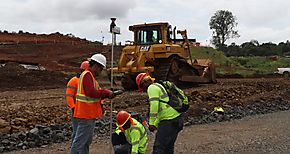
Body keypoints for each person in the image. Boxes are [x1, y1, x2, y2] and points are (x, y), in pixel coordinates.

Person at [70, 53, 115, 154]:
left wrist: (106, 93)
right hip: (85, 114)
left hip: (87, 114)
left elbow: (94, 93)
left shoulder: (89, 76)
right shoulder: (87, 75)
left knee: (85, 142)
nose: (100, 71)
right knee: (79, 143)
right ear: (96, 66)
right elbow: (91, 92)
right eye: (101, 68)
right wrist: (106, 93)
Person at [136, 73, 184, 154]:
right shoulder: (158, 85)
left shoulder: (151, 88)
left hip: (168, 121)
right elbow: (162, 108)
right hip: (177, 119)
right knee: (168, 148)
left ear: (143, 84)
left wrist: (151, 123)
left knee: (159, 148)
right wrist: (156, 123)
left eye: (142, 88)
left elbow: (154, 105)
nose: (144, 91)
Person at [66, 60, 89, 146]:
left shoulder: (88, 81)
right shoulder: (74, 81)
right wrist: (73, 107)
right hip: (77, 110)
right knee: (77, 132)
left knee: (83, 134)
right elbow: (69, 96)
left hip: (85, 111)